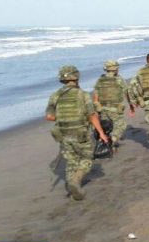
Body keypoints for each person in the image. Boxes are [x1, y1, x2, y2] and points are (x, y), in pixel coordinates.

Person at [45, 65, 109, 200]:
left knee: (71, 161)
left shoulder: (55, 96)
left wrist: (64, 118)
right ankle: (76, 181)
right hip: (81, 133)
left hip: (63, 134)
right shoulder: (83, 95)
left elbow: (49, 117)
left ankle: (72, 189)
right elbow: (92, 116)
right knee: (87, 158)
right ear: (77, 77)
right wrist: (102, 133)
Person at [92, 60, 135, 150]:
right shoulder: (119, 79)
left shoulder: (100, 80)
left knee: (106, 127)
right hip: (115, 109)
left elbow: (95, 97)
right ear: (115, 69)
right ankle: (111, 140)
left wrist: (97, 110)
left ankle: (104, 141)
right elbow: (127, 93)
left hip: (102, 109)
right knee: (121, 125)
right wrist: (131, 106)